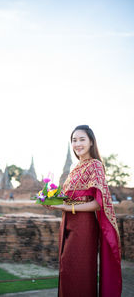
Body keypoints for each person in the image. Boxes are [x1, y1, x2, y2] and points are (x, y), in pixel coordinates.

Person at [43, 125, 122, 297]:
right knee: (67, 271)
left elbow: (97, 203)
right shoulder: (75, 168)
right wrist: (52, 200)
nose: (77, 144)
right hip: (68, 223)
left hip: (84, 226)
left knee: (79, 274)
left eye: (82, 139)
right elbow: (72, 197)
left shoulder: (95, 166)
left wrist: (66, 207)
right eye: (74, 140)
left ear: (91, 142)